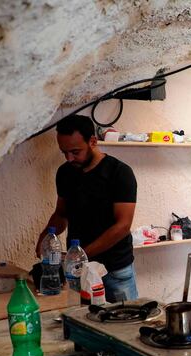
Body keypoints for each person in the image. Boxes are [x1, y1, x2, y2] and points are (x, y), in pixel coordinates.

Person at [37, 115, 138, 302]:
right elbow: (61, 213)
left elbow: (122, 225)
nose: (69, 158)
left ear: (92, 141)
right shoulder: (65, 172)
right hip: (79, 270)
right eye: (64, 152)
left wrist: (80, 254)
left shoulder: (119, 173)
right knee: (82, 321)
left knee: (125, 325)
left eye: (75, 152)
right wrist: (45, 238)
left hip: (115, 269)